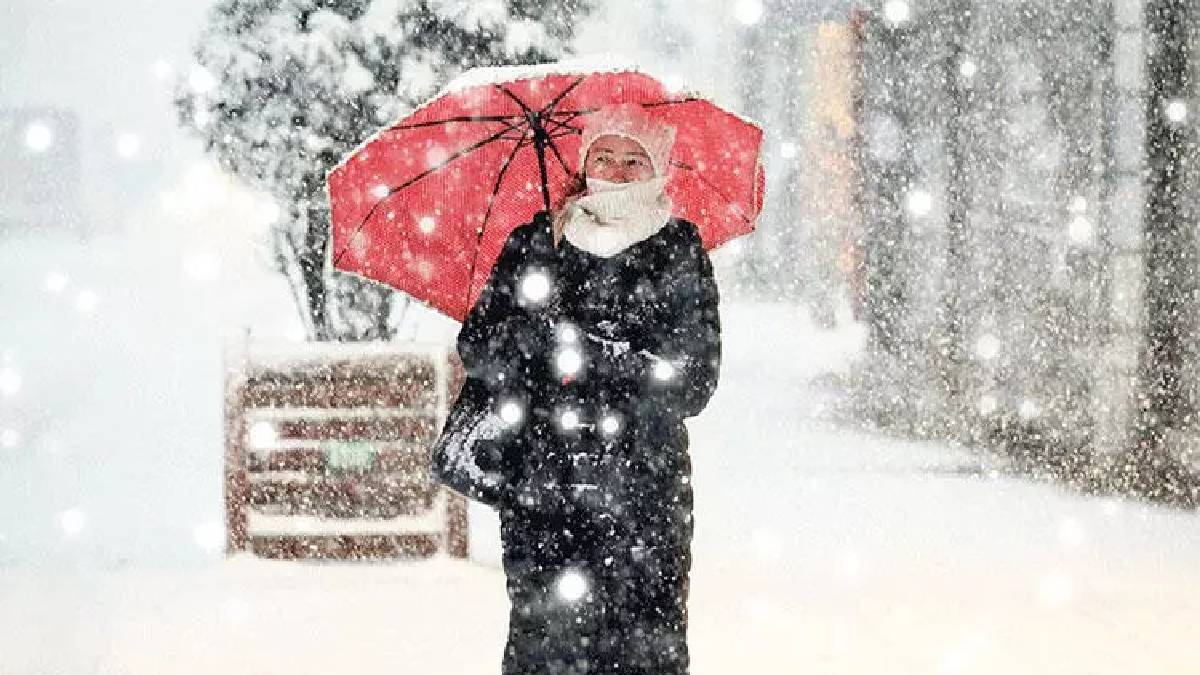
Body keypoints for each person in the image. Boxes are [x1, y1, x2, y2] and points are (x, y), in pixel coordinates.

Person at [455, 103, 722, 675]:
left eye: (634, 159)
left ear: (657, 168)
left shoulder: (678, 248)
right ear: (583, 161)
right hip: (543, 491)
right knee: (543, 648)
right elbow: (477, 348)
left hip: (644, 497)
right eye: (605, 155)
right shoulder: (536, 241)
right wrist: (533, 339)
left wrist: (600, 355)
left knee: (643, 651)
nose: (617, 170)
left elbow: (696, 380)